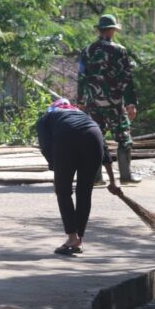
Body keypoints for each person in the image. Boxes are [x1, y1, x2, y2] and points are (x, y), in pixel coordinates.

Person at [36, 99, 114, 256]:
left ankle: (72, 238)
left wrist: (57, 170)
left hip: (67, 137)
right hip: (94, 136)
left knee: (63, 192)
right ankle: (79, 239)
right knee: (84, 192)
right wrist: (113, 181)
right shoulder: (83, 115)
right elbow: (104, 149)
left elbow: (45, 146)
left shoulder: (45, 118)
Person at [77, 14, 141, 185]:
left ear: (99, 30)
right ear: (112, 30)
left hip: (92, 103)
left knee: (95, 138)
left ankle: (96, 178)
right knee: (123, 137)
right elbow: (126, 79)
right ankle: (125, 176)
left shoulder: (87, 50)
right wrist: (131, 103)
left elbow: (81, 77)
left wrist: (81, 101)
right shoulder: (119, 50)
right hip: (114, 103)